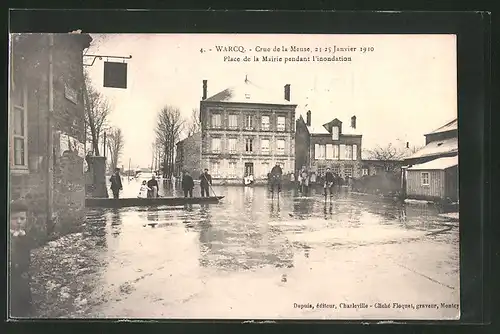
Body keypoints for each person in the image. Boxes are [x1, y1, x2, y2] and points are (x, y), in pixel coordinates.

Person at [9, 200, 33, 318]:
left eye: (22, 218)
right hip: (9, 282)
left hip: (22, 283)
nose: (19, 222)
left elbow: (27, 258)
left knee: (23, 309)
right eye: (14, 218)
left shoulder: (24, 236)